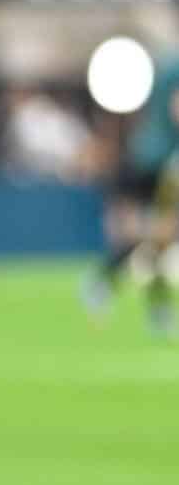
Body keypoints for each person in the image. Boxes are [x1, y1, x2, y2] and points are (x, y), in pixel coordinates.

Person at [84, 54, 179, 339]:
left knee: (154, 240)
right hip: (161, 163)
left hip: (146, 157)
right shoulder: (174, 68)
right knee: (157, 237)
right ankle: (107, 281)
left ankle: (108, 281)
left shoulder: (167, 65)